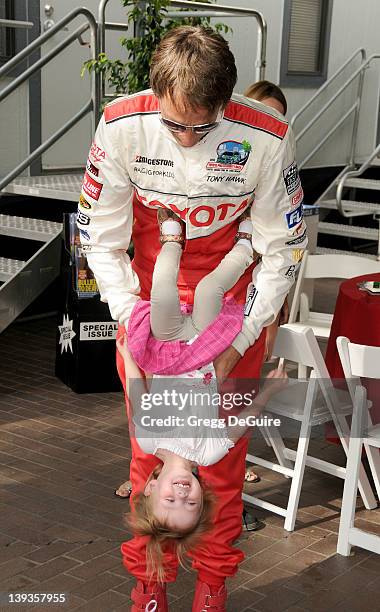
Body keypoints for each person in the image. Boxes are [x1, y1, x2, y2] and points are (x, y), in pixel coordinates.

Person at [79, 25, 307, 612]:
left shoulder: (267, 136)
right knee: (147, 462)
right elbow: (101, 242)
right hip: (149, 308)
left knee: (224, 470)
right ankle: (149, 585)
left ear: (227, 103)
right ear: (155, 97)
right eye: (173, 122)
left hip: (232, 314)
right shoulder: (120, 126)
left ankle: (212, 587)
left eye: (200, 126)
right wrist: (134, 328)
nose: (184, 137)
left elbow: (280, 251)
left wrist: (245, 337)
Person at [116, 329, 287, 583]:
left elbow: (138, 394)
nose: (182, 496)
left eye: (170, 501)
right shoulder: (209, 453)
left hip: (165, 342)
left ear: (150, 487)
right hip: (205, 343)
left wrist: (129, 356)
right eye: (191, 504)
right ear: (202, 501)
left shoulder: (149, 439)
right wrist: (269, 391)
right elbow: (244, 420)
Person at [243, 79, 291, 484]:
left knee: (242, 377)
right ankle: (151, 470)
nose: (270, 122)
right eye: (265, 112)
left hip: (262, 285)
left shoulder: (279, 161)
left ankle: (232, 460)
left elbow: (283, 248)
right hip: (218, 283)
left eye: (278, 116)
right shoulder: (230, 155)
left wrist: (269, 318)